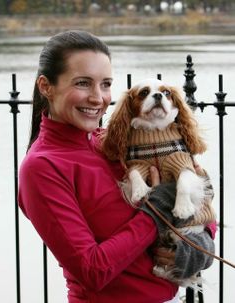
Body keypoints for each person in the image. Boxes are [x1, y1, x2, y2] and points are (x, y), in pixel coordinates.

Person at [18, 30, 216, 303]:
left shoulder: (113, 144)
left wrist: (201, 245)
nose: (98, 98)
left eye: (106, 84)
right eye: (83, 83)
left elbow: (200, 194)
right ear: (46, 86)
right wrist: (155, 212)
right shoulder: (42, 167)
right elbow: (92, 269)